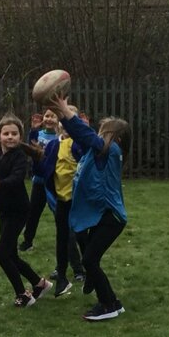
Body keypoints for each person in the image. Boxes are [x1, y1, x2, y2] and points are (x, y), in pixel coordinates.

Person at [47, 96, 131, 321]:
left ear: (116, 138)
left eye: (104, 132)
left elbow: (85, 134)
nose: (98, 135)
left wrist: (65, 110)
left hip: (110, 218)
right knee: (87, 253)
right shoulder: (96, 152)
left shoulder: (111, 151)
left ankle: (108, 304)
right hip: (101, 216)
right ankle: (112, 302)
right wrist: (62, 115)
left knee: (89, 261)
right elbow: (80, 136)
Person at [0, 113, 52, 307]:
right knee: (11, 254)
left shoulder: (19, 156)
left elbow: (17, 177)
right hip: (5, 210)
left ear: (20, 136)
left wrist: (1, 184)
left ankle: (22, 294)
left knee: (2, 255)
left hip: (18, 210)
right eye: (6, 133)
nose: (10, 137)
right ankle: (40, 284)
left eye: (14, 133)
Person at [37, 106, 87, 297]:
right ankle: (62, 276)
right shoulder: (53, 145)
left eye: (69, 119)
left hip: (78, 200)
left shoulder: (80, 144)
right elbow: (44, 171)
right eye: (62, 119)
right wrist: (36, 157)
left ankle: (86, 269)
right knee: (62, 237)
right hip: (61, 199)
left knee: (80, 236)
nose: (65, 124)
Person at [19, 110, 59, 251]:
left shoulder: (59, 136)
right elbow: (31, 147)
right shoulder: (39, 134)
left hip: (55, 182)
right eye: (47, 116)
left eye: (53, 116)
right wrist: (34, 130)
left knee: (59, 213)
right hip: (39, 181)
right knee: (33, 212)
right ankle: (27, 241)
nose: (49, 119)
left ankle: (65, 240)